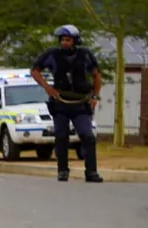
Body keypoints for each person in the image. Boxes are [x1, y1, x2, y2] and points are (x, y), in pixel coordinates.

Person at [30, 24, 103, 183]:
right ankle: (62, 170)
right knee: (61, 136)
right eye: (62, 39)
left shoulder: (85, 54)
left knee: (88, 136)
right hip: (60, 103)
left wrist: (95, 96)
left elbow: (97, 76)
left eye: (68, 40)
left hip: (80, 103)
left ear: (75, 41)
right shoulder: (51, 54)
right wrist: (47, 88)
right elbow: (35, 70)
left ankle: (91, 172)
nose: (64, 42)